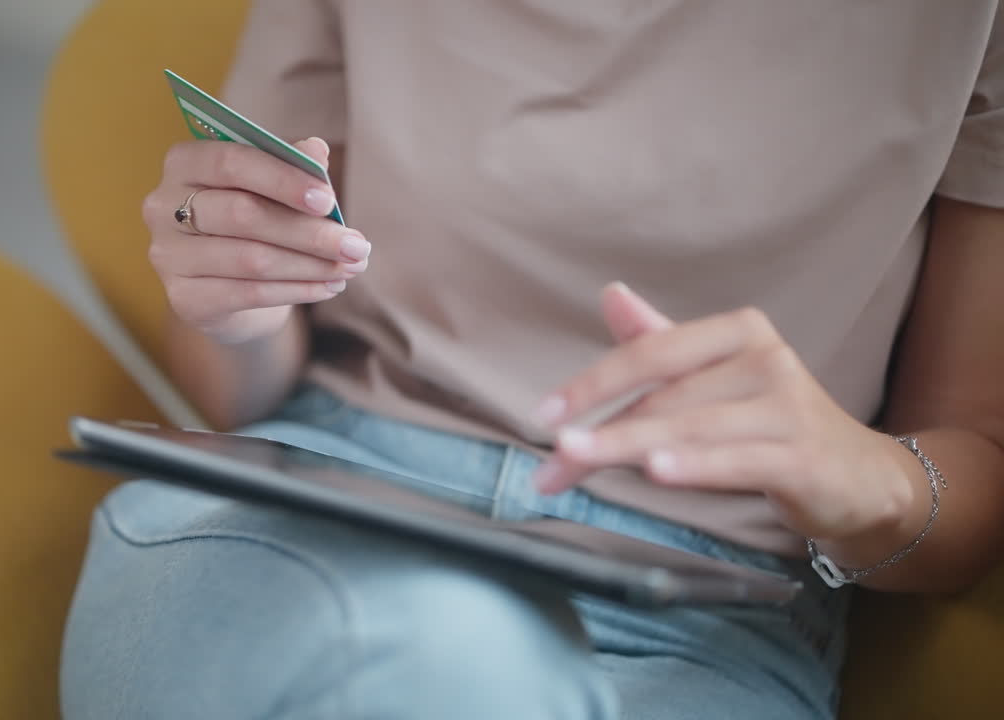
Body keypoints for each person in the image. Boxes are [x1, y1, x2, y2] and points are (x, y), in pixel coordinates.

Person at [60, 2, 1004, 718]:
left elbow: (972, 480)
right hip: (321, 505)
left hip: (699, 617)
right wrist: (239, 302)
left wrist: (860, 476)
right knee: (436, 658)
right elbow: (237, 397)